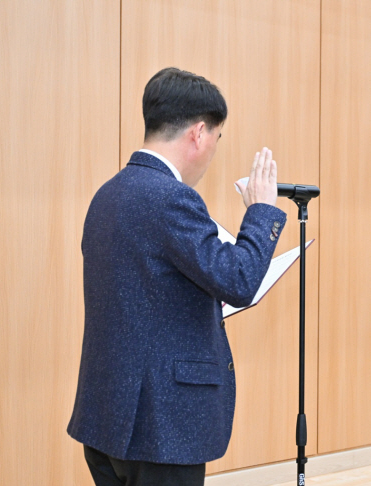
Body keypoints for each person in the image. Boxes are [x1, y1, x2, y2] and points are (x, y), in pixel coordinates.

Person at [67, 67, 287, 486]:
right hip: (160, 427)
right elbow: (240, 281)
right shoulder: (172, 199)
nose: (212, 153)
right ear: (199, 133)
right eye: (217, 141)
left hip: (106, 418)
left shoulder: (107, 195)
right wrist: (260, 212)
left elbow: (144, 292)